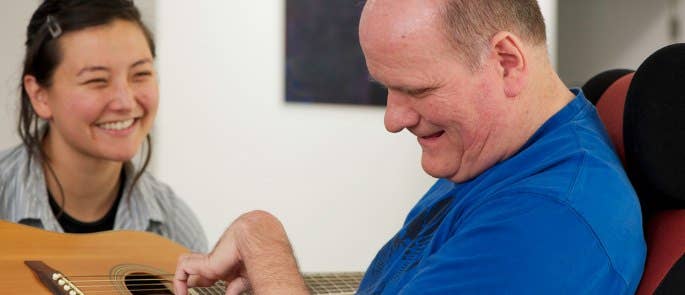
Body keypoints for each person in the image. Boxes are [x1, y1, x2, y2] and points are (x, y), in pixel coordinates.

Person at [174, 0, 646, 293]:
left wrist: (263, 240)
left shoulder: (549, 220)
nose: (392, 119)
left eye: (417, 91)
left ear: (506, 61)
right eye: (386, 88)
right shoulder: (493, 157)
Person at [0, 0, 207, 253]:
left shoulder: (175, 227)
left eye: (140, 74)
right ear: (40, 95)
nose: (125, 101)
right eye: (97, 81)